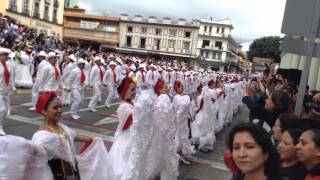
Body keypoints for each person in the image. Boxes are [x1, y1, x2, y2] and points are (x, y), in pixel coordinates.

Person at [31, 91, 93, 180]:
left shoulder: (61, 126)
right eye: (55, 108)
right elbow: (35, 159)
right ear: (44, 111)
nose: (60, 110)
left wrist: (90, 139)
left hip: (72, 172)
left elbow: (74, 136)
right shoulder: (41, 136)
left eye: (61, 107)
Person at [108, 77, 136, 180]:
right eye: (132, 90)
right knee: (124, 165)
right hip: (127, 138)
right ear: (125, 91)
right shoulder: (124, 107)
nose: (134, 92)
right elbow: (125, 126)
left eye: (135, 89)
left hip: (131, 136)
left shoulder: (130, 104)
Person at [151, 79, 179, 179]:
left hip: (158, 133)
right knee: (166, 156)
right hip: (165, 133)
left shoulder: (157, 99)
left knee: (156, 154)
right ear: (159, 89)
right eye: (165, 87)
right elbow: (166, 118)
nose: (168, 89)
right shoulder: (164, 99)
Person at [173, 80, 195, 164]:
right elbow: (174, 109)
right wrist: (176, 119)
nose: (182, 87)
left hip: (185, 119)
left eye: (182, 86)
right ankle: (183, 154)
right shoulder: (176, 97)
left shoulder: (186, 96)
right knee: (181, 137)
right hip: (179, 120)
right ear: (177, 88)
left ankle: (182, 154)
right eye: (180, 86)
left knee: (184, 136)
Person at [0, 47, 15, 135]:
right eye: (4, 55)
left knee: (5, 110)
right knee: (1, 110)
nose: (6, 57)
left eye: (7, 55)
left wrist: (13, 87)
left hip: (5, 91)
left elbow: (10, 77)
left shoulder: (8, 65)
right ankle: (0, 127)